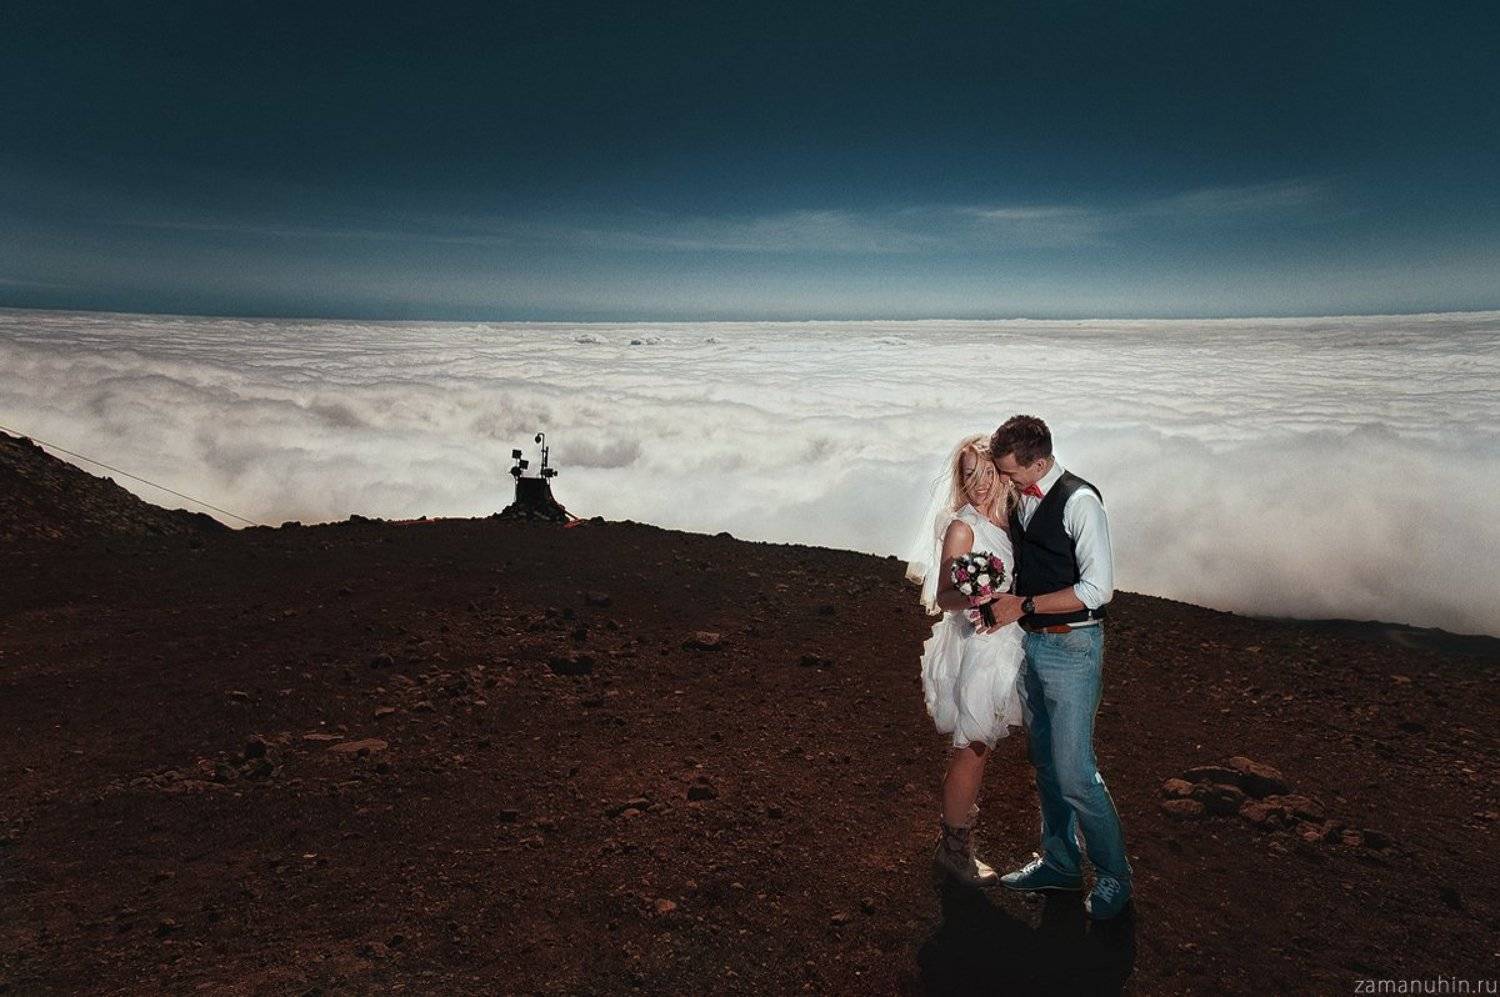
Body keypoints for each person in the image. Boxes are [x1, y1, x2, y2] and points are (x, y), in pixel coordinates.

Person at [976, 414, 1133, 920]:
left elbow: (1097, 590)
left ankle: (1114, 877)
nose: (1006, 482)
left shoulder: (1080, 502)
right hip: (1032, 649)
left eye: (1012, 473)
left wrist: (1020, 606)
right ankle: (1061, 862)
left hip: (1073, 650)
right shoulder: (1022, 495)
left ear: (1039, 462)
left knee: (1076, 774)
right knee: (1045, 763)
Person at [905, 434, 1026, 889]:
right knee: (973, 747)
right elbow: (944, 595)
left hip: (1015, 640)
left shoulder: (1013, 521)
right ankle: (953, 850)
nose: (978, 483)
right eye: (969, 474)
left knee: (1004, 746)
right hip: (981, 647)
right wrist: (980, 593)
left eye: (987, 471)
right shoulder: (963, 528)